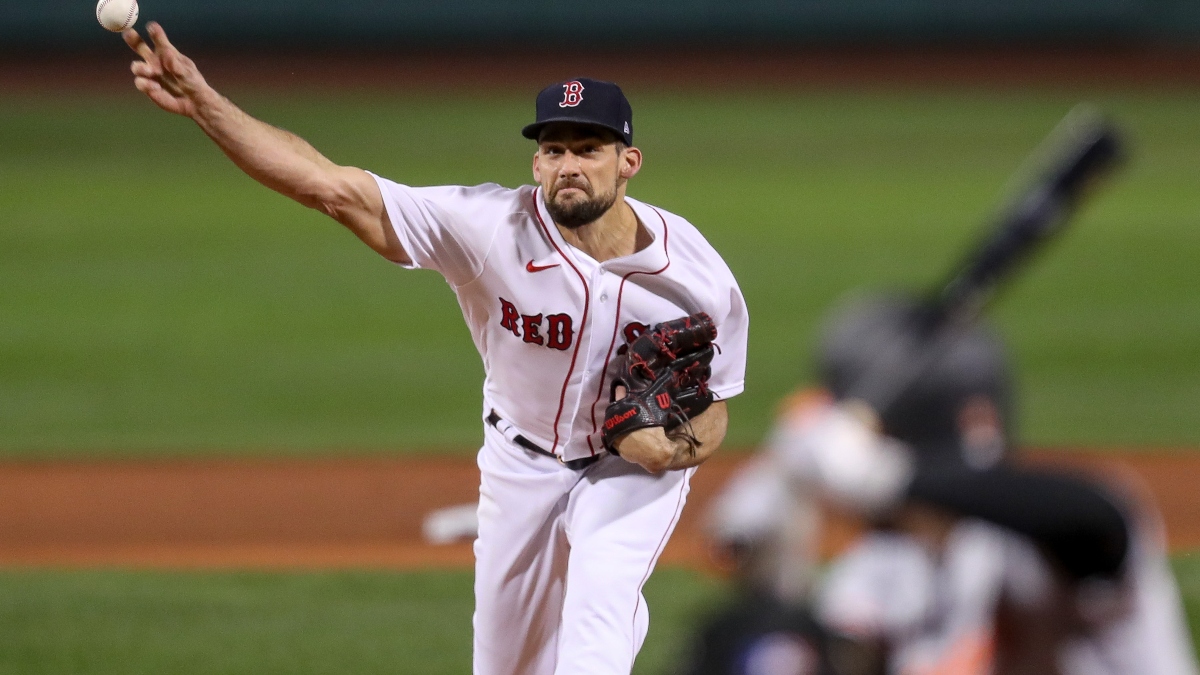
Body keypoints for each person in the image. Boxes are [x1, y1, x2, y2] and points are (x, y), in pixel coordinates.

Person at [120, 22, 749, 675]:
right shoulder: (488, 228)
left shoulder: (697, 277)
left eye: (588, 148)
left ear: (628, 161)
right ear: (535, 164)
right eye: (554, 149)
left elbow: (717, 406)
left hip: (626, 475)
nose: (568, 165)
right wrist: (204, 105)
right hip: (520, 460)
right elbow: (330, 187)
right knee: (504, 665)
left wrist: (674, 448)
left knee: (599, 612)